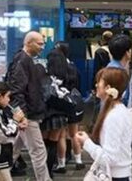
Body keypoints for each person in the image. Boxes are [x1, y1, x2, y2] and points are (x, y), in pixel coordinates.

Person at [6, 31, 51, 181]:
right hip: (28, 115)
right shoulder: (22, 60)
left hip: (26, 113)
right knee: (38, 151)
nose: (42, 47)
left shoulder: (24, 60)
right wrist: (22, 115)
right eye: (39, 44)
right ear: (28, 43)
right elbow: (16, 91)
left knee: (13, 150)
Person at [75, 67, 132, 181]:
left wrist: (86, 142)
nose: (96, 85)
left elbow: (109, 158)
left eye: (99, 82)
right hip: (117, 174)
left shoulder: (114, 116)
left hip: (115, 176)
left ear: (107, 88)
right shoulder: (118, 110)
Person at [56, 41, 84, 170]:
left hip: (62, 102)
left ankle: (61, 164)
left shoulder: (57, 68)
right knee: (74, 133)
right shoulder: (73, 67)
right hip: (74, 102)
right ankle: (79, 161)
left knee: (62, 135)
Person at [43, 48, 71, 174]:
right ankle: (50, 172)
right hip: (61, 113)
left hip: (47, 113)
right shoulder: (66, 75)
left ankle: (44, 171)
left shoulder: (46, 77)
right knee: (54, 142)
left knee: (44, 143)